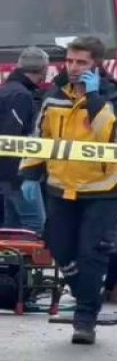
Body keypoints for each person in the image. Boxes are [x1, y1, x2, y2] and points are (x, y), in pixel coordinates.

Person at [18, 36, 117, 345]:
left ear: (96, 64)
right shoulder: (54, 95)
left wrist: (94, 100)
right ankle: (84, 290)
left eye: (81, 62)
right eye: (70, 61)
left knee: (91, 253)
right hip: (60, 187)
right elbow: (39, 137)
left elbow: (115, 138)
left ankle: (85, 319)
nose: (73, 67)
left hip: (101, 190)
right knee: (58, 246)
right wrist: (30, 172)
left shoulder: (115, 97)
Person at [0, 46, 49, 232]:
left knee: (11, 230)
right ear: (44, 70)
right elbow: (12, 139)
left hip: (9, 178)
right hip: (16, 178)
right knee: (33, 226)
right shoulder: (21, 96)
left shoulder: (8, 90)